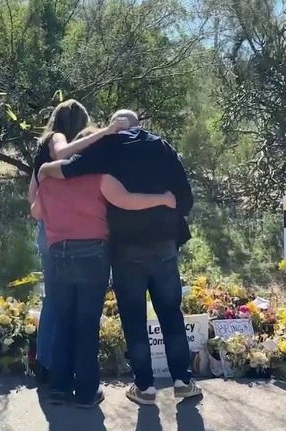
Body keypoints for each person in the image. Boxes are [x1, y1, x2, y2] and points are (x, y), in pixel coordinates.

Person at [38, 109, 201, 406]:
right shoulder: (162, 147)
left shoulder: (106, 147)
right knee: (170, 312)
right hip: (164, 245)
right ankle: (182, 380)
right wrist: (166, 209)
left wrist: (44, 171)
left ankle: (145, 387)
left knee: (133, 316)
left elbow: (70, 170)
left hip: (124, 248)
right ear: (139, 125)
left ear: (116, 126)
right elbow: (186, 199)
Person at [27, 100, 128, 383]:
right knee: (72, 310)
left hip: (51, 226)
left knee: (57, 301)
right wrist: (105, 132)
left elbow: (31, 198)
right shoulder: (56, 139)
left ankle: (49, 368)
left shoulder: (42, 160)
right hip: (70, 233)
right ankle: (61, 369)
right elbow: (61, 153)